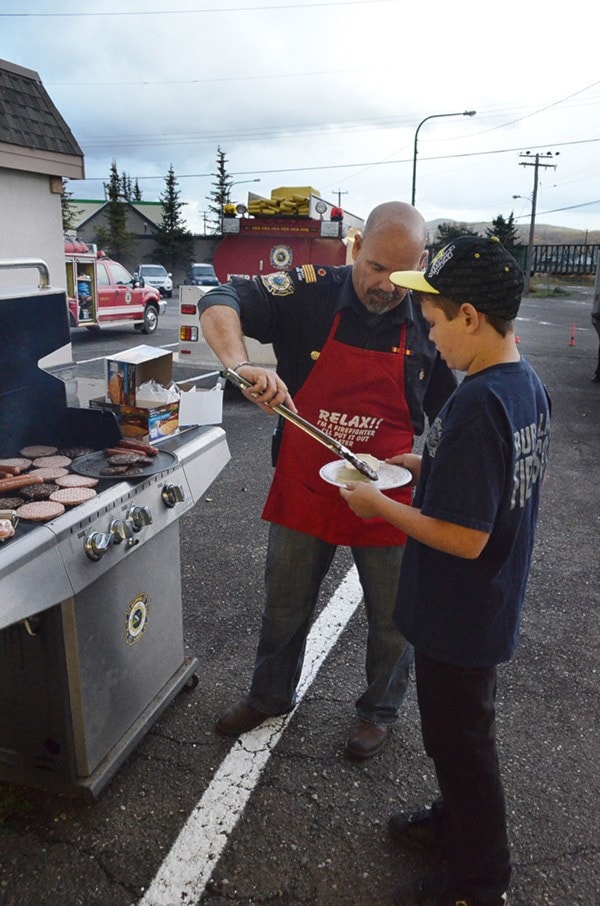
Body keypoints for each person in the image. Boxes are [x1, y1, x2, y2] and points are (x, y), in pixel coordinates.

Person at [198, 201, 457, 759]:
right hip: (305, 482)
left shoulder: (429, 322)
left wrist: (441, 468)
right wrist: (243, 366)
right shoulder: (310, 289)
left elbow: (451, 412)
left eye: (404, 273)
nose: (388, 285)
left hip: (389, 491)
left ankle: (378, 712)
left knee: (393, 618)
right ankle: (268, 696)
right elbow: (220, 298)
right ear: (355, 247)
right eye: (376, 267)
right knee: (285, 605)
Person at [340, 236, 551, 904]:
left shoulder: (476, 404)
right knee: (454, 736)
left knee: (463, 748)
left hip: (460, 613)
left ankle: (478, 880)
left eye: (432, 321)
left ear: (468, 317)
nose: (428, 335)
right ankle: (450, 824)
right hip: (485, 605)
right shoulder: (523, 383)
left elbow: (463, 536)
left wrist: (378, 506)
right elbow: (489, 480)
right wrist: (421, 468)